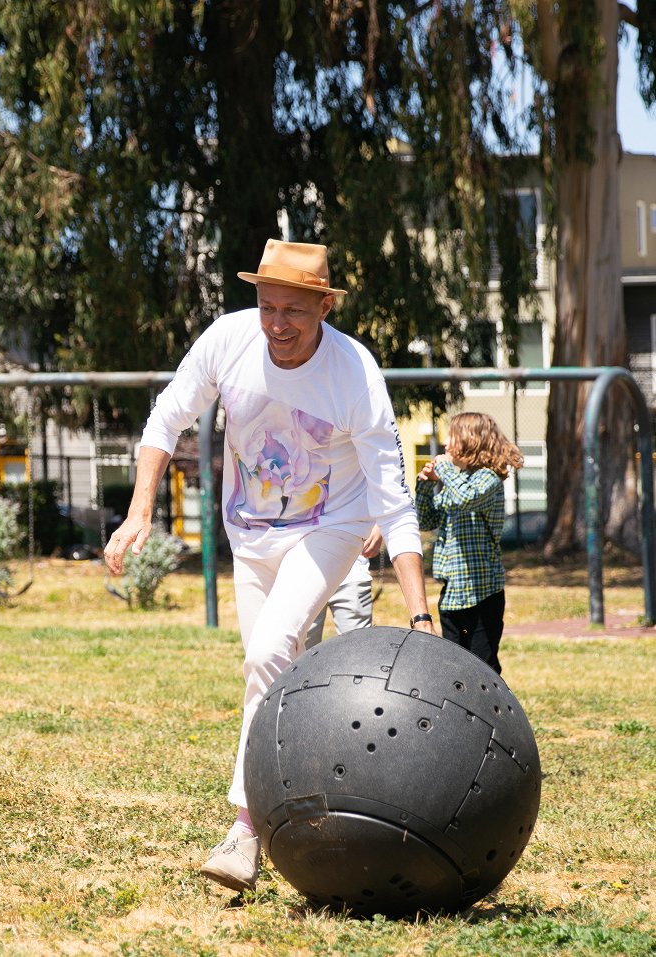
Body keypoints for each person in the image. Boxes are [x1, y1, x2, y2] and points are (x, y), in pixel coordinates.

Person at [104, 239, 435, 894]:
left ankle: (244, 829)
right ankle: (305, 791)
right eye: (267, 306)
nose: (277, 324)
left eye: (294, 311)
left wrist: (420, 611)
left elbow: (391, 496)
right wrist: (140, 511)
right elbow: (167, 416)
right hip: (249, 531)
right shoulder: (228, 340)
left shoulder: (353, 371)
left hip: (330, 525)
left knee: (268, 651)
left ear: (325, 304)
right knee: (268, 670)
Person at [415, 411, 523, 675]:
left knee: (482, 668)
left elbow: (467, 498)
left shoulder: (489, 478)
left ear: (471, 440)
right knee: (455, 667)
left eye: (452, 437)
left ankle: (493, 713)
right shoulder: (456, 481)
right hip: (453, 594)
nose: (446, 445)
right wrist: (425, 486)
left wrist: (442, 469)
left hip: (482, 593)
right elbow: (425, 520)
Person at [304, 524, 382, 650]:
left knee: (358, 651)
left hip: (353, 571)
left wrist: (379, 526)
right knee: (300, 656)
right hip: (305, 574)